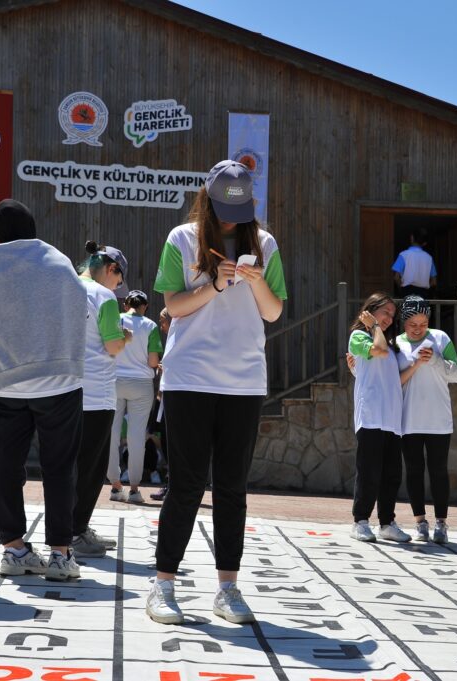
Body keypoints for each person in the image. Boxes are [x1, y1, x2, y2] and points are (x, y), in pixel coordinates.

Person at [147, 160, 287, 625]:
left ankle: (228, 588)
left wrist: (256, 281)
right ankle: (163, 584)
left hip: (244, 381)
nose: (232, 219)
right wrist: (215, 284)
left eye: (240, 209)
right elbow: (174, 307)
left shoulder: (264, 244)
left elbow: (272, 314)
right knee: (185, 486)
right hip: (188, 378)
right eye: (225, 208)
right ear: (206, 198)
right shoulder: (181, 238)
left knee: (232, 488)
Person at [0, 199, 86, 581]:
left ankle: (14, 549)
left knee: (6, 467)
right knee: (60, 469)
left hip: (7, 380)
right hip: (59, 379)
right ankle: (60, 554)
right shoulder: (58, 264)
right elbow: (81, 311)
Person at [70, 242, 129, 558]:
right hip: (96, 393)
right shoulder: (104, 297)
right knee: (91, 467)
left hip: (64, 389)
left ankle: (71, 528)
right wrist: (125, 338)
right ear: (111, 269)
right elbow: (113, 346)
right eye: (119, 281)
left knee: (68, 465)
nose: (118, 288)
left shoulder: (65, 284)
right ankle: (76, 531)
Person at [395, 296, 457, 544]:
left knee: (438, 471)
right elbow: (393, 380)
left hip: (438, 418)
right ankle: (419, 522)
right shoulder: (397, 343)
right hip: (408, 418)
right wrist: (415, 363)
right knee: (413, 471)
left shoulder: (440, 338)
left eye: (423, 323)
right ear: (404, 322)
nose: (418, 329)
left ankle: (442, 523)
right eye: (413, 323)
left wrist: (435, 359)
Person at [348, 292, 411, 544]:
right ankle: (360, 521)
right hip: (371, 415)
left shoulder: (393, 347)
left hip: (392, 419)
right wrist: (373, 326)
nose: (388, 319)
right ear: (370, 310)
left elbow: (395, 379)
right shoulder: (358, 336)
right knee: (369, 471)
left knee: (391, 473)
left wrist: (415, 367)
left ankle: (387, 523)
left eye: (391, 316)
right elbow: (379, 352)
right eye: (385, 312)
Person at [108, 290, 162, 504]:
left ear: (125, 305)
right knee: (137, 437)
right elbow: (152, 362)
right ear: (145, 306)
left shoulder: (116, 321)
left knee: (111, 434)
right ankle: (134, 488)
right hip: (141, 384)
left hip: (114, 380)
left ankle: (114, 485)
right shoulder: (150, 326)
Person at [149, 307, 172, 502]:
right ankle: (169, 484)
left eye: (162, 322)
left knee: (170, 444)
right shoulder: (171, 339)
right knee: (165, 443)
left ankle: (171, 485)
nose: (161, 327)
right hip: (164, 397)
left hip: (173, 399)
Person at [392, 229, 437, 298]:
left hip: (407, 292)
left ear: (412, 238)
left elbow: (396, 278)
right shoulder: (429, 258)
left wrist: (401, 290)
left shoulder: (403, 255)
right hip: (423, 294)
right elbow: (434, 282)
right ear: (425, 243)